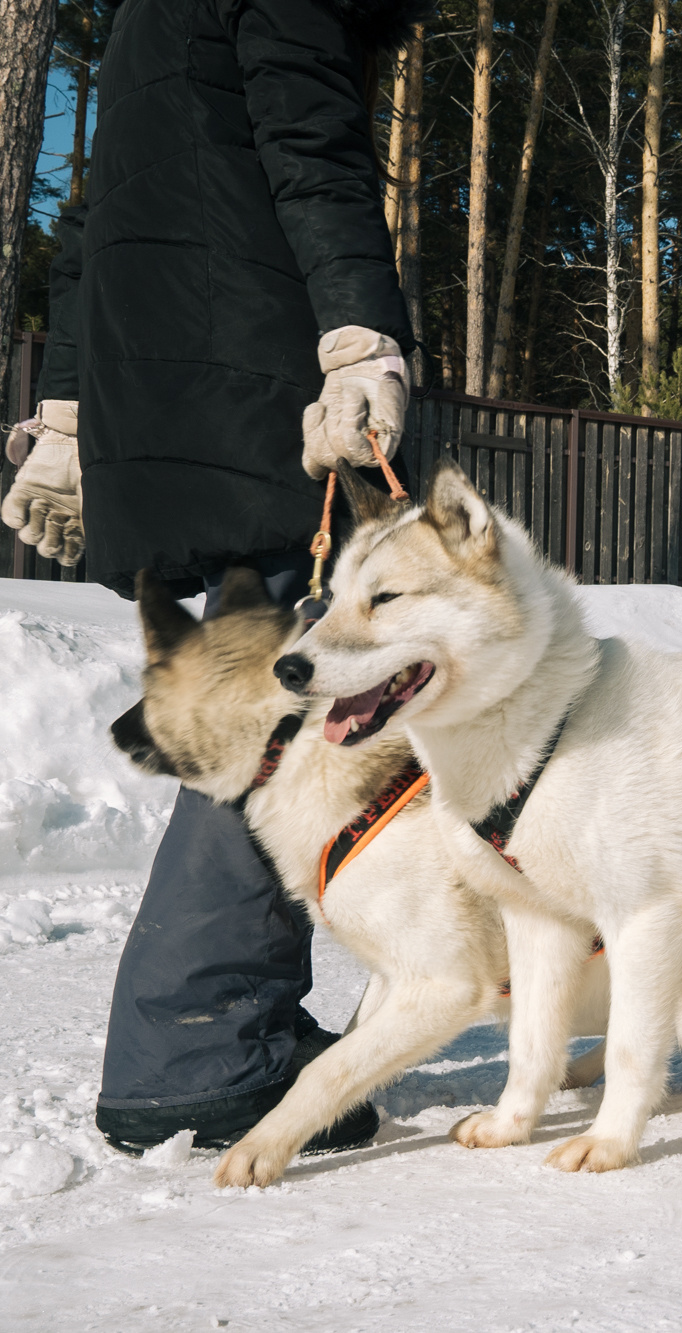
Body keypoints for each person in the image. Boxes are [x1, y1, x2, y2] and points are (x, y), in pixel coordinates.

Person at [0, 0, 420, 1153]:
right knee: (301, 704)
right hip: (265, 390)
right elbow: (311, 156)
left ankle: (208, 1024)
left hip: (172, 395)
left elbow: (98, 226)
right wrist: (360, 338)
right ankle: (200, 1040)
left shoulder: (150, 14)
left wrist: (68, 414)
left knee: (275, 695)